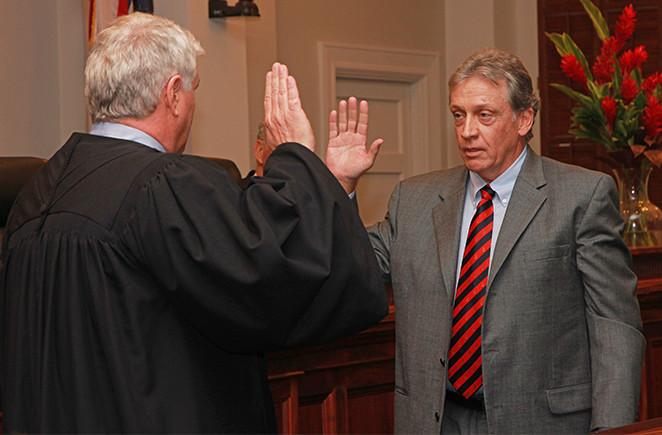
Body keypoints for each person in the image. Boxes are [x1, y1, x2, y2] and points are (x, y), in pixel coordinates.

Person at [0, 12, 387, 434]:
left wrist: (327, 183)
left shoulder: (37, 192)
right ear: (173, 94)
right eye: (194, 89)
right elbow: (270, 281)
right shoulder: (162, 186)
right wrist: (295, 157)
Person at [362, 48, 645, 433]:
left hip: (540, 422)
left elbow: (614, 325)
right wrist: (341, 186)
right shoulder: (413, 199)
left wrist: (614, 430)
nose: (467, 132)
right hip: (436, 420)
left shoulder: (582, 195)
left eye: (484, 115)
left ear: (524, 119)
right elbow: (354, 263)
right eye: (458, 115)